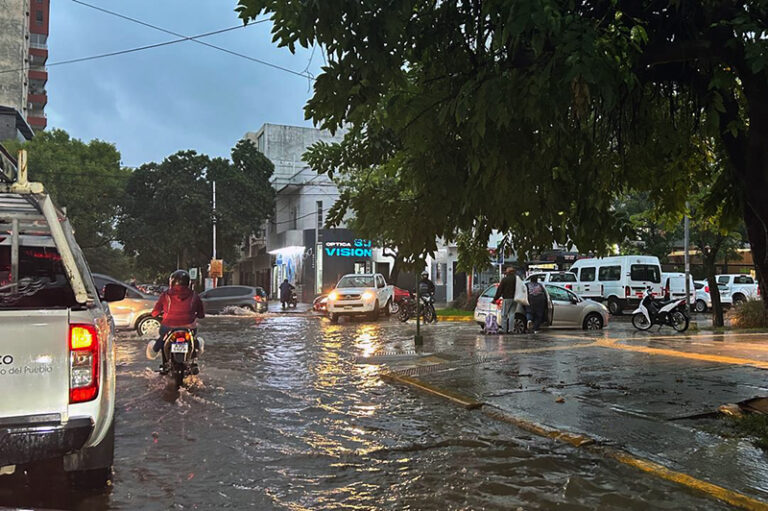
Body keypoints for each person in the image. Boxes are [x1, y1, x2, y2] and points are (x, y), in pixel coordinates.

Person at [145, 270, 205, 374]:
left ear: (172, 282)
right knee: (193, 339)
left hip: (168, 326)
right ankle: (195, 357)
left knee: (162, 339)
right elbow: (201, 314)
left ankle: (159, 356)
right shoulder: (195, 296)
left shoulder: (166, 295)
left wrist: (156, 314)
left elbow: (155, 312)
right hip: (189, 327)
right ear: (188, 283)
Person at [493, 267, 517, 333]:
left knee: (504, 315)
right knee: (512, 314)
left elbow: (499, 290)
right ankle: (511, 329)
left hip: (507, 298)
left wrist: (495, 299)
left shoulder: (505, 280)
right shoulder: (517, 279)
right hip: (515, 299)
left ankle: (504, 330)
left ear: (507, 272)